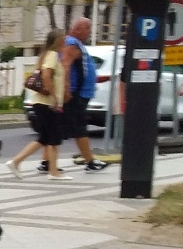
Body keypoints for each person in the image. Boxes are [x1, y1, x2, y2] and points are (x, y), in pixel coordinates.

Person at [45, 17, 108, 173]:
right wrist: (66, 91)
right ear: (79, 29)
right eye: (88, 28)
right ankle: (91, 162)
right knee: (79, 128)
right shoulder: (72, 44)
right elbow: (65, 66)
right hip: (75, 95)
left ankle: (46, 162)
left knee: (57, 128)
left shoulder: (73, 43)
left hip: (76, 93)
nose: (89, 32)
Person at [6, 29, 68, 180]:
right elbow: (46, 76)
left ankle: (16, 162)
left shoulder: (48, 55)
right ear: (58, 40)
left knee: (45, 138)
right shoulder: (52, 55)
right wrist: (54, 97)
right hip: (47, 103)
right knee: (53, 137)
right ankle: (53, 172)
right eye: (63, 38)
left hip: (42, 103)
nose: (66, 40)